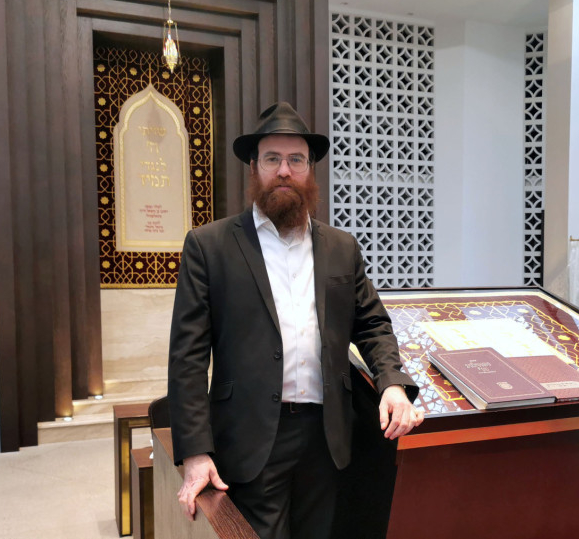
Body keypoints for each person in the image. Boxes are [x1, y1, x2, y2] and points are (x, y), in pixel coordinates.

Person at [167, 101, 423, 539]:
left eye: (296, 160)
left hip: (327, 438)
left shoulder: (341, 247)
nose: (284, 171)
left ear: (310, 170)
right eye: (272, 159)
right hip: (249, 438)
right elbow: (187, 358)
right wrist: (195, 452)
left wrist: (392, 383)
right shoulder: (209, 246)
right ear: (254, 168)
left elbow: (372, 324)